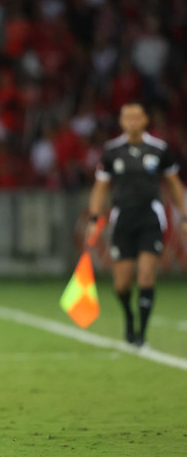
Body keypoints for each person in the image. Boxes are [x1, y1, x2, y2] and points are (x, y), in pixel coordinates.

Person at [86, 103, 187, 348]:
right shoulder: (112, 151)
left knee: (146, 274)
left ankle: (142, 332)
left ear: (144, 120)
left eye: (136, 117)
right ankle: (129, 318)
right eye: (126, 117)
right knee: (121, 283)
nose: (131, 122)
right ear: (121, 122)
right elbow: (101, 187)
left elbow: (173, 183)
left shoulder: (159, 149)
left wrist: (184, 215)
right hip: (123, 219)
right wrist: (94, 218)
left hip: (150, 218)